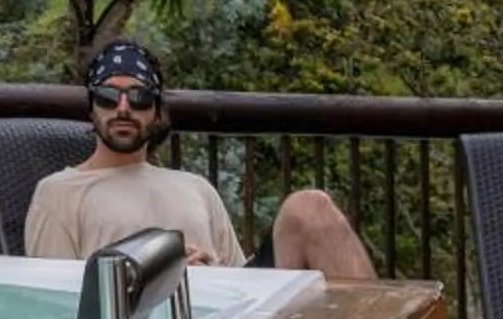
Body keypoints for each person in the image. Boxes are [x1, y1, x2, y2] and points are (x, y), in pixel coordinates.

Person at [22, 38, 376, 279]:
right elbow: (54, 311)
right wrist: (156, 280)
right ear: (91, 106)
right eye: (108, 96)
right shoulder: (58, 193)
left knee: (310, 207)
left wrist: (211, 279)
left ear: (157, 110)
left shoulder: (194, 186)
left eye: (141, 97)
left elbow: (239, 276)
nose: (124, 108)